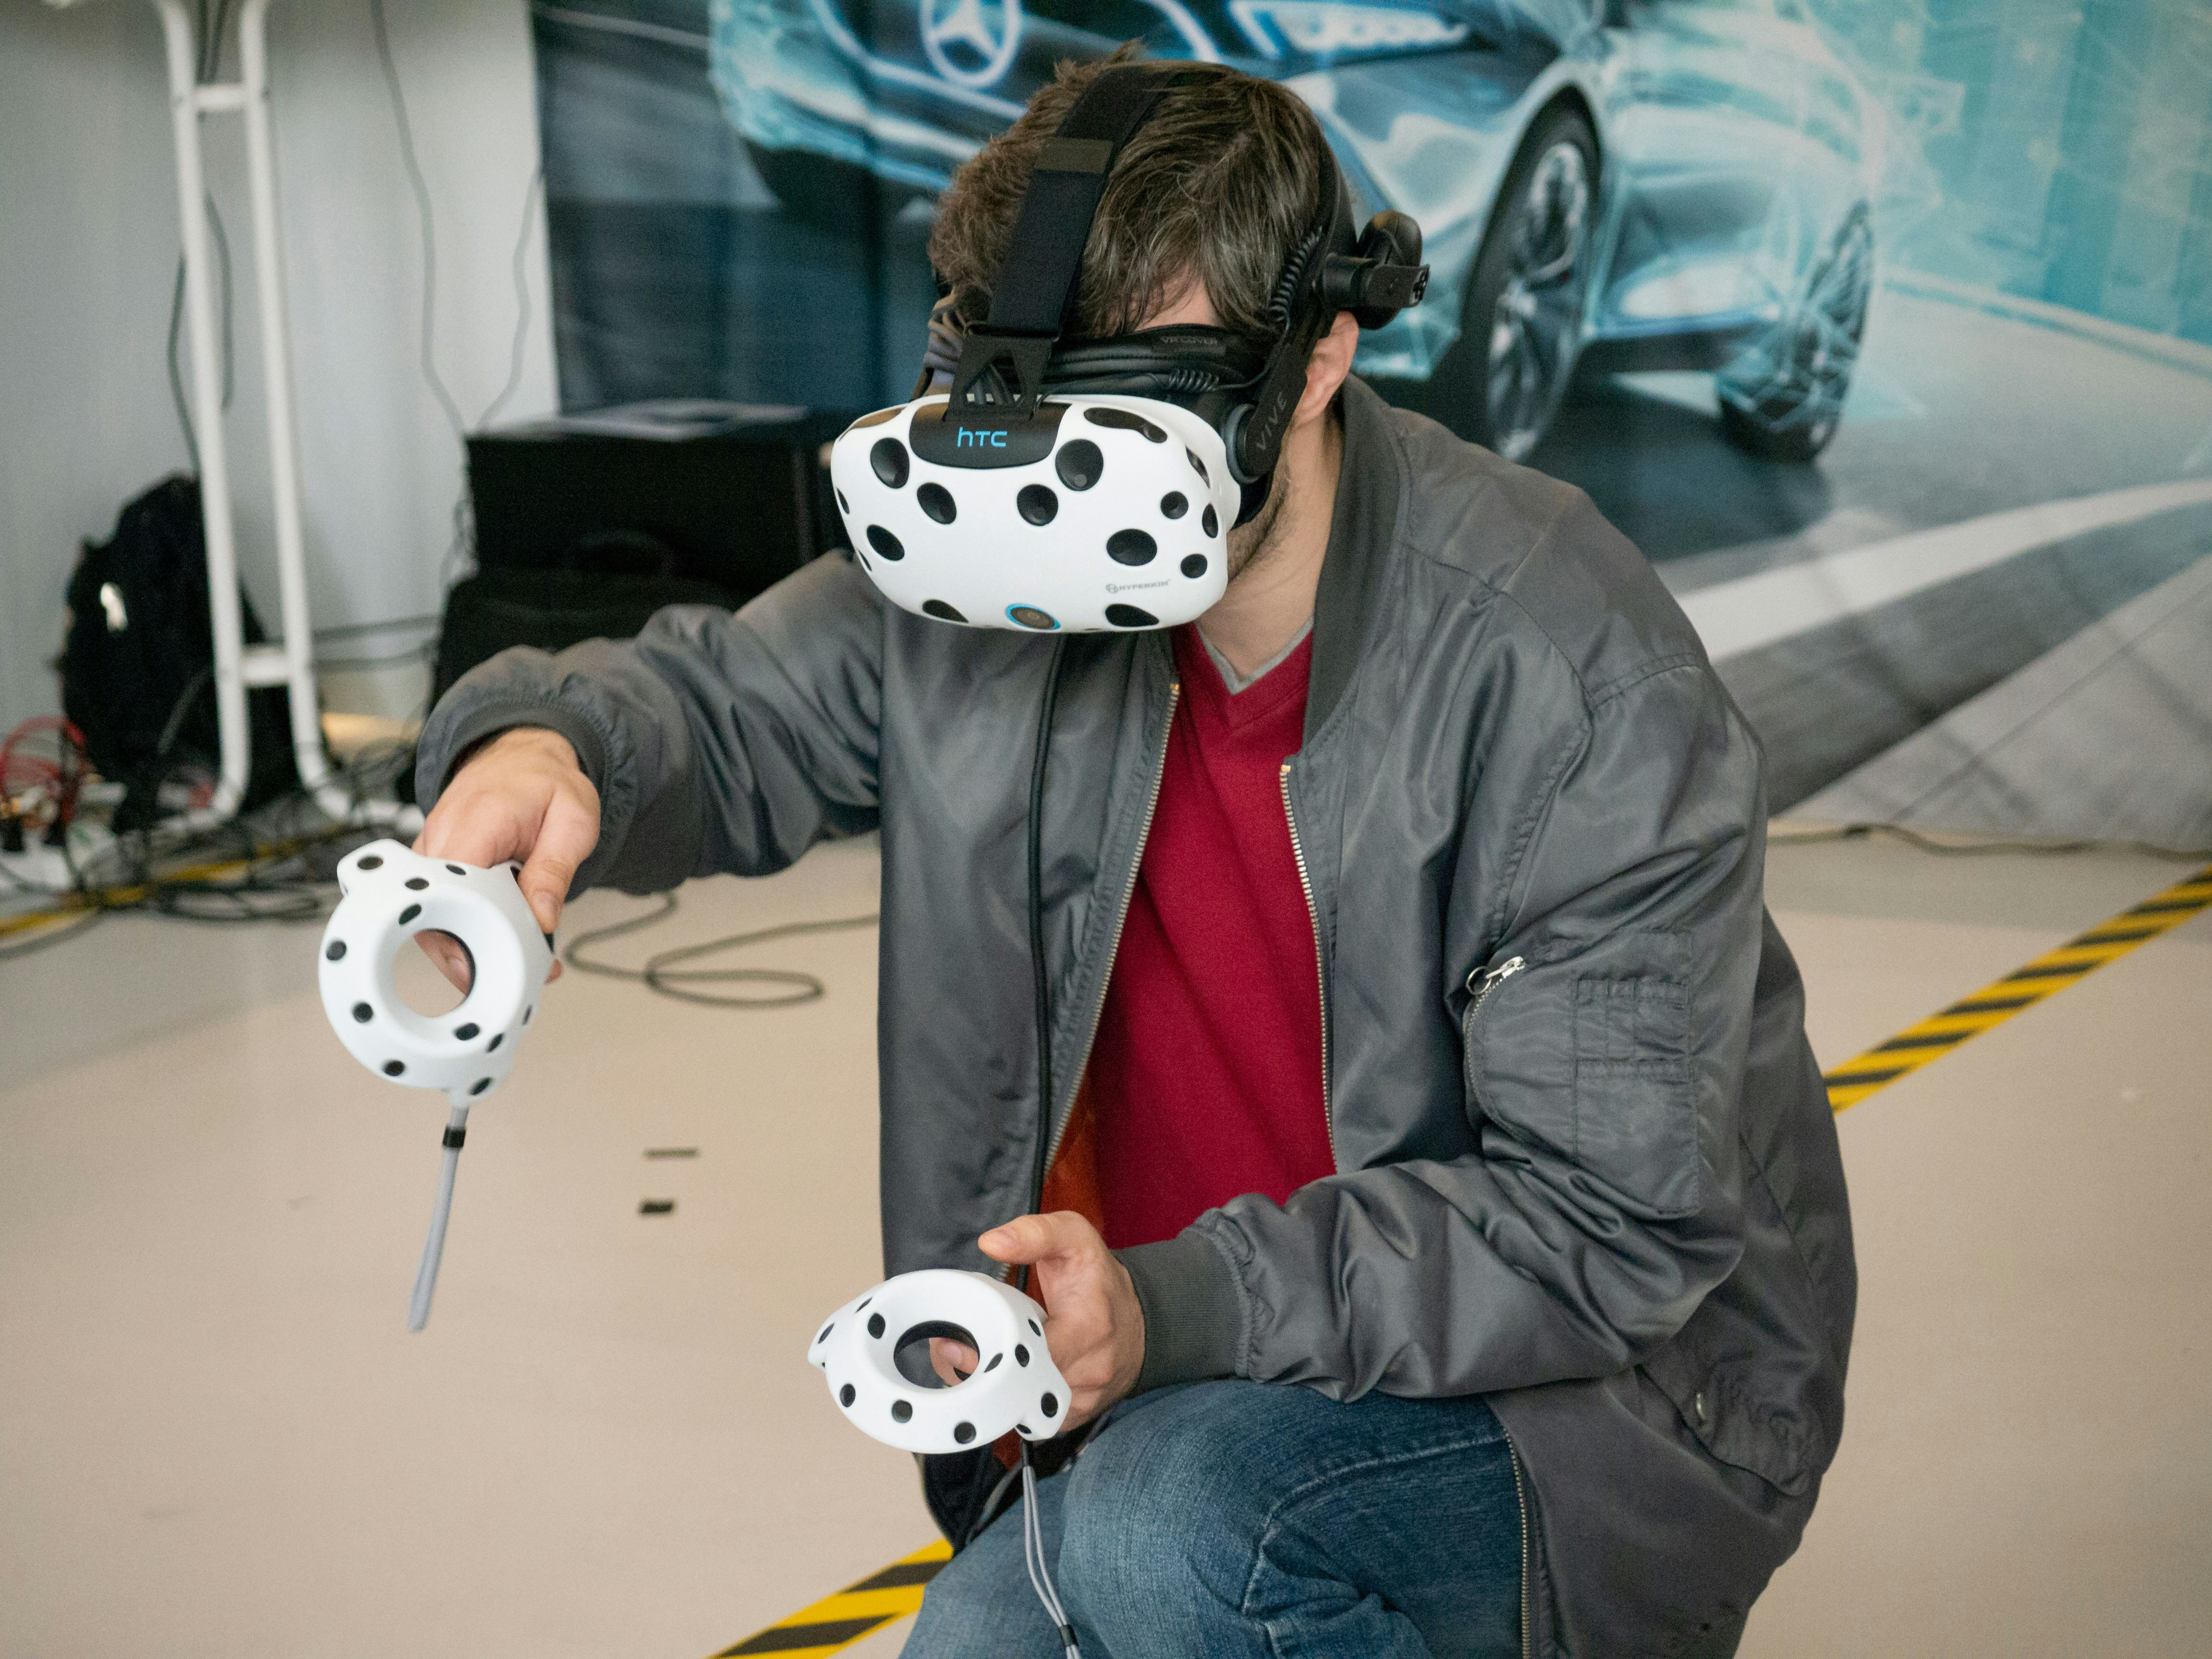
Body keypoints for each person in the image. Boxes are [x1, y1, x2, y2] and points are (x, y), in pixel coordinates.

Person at [412, 58, 1854, 1659]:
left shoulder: (1564, 669)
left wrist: (1176, 1309)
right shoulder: (992, 586)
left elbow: (1609, 1226)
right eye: (1023, 400)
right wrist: (549, 743)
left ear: (1314, 360)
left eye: (1132, 401)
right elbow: (724, 707)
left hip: (1589, 1409)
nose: (1046, 475)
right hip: (1154, 1374)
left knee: (1177, 1532)